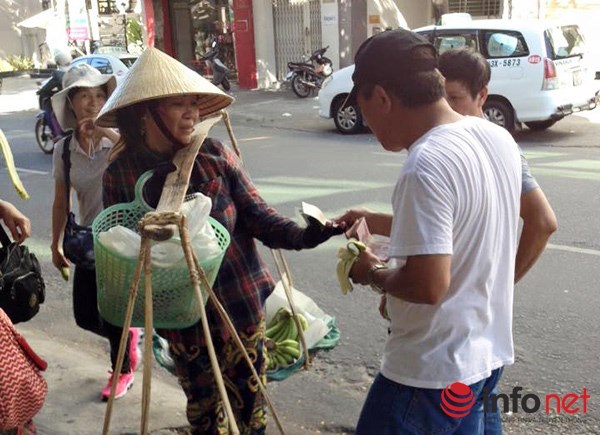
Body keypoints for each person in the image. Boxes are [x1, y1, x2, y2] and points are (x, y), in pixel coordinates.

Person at [96, 47, 344, 434]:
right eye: (178, 104)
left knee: (251, 413)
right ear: (145, 112)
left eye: (193, 102)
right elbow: (118, 242)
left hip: (239, 303)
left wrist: (305, 235)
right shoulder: (121, 174)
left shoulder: (213, 155)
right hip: (182, 319)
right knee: (203, 415)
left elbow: (259, 217)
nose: (192, 112)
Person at [336, 29, 522, 434]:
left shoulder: (426, 163)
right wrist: (374, 218)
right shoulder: (497, 138)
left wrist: (369, 270)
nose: (367, 122)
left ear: (382, 98)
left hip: (427, 375)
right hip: (483, 360)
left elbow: (428, 286)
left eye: (364, 108)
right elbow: (464, 225)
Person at [50, 63, 142, 401]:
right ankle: (130, 337)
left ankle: (123, 368)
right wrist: (55, 243)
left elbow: (138, 156)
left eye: (99, 95)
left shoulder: (119, 141)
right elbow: (61, 201)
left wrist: (103, 131)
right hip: (89, 240)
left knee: (115, 312)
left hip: (124, 238)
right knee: (85, 315)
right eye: (84, 96)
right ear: (71, 103)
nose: (92, 103)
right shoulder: (63, 150)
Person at [438, 47, 558, 282]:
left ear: (482, 95)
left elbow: (543, 221)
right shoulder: (443, 141)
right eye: (440, 98)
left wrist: (504, 283)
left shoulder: (498, 144)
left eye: (454, 98)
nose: (445, 108)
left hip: (461, 305)